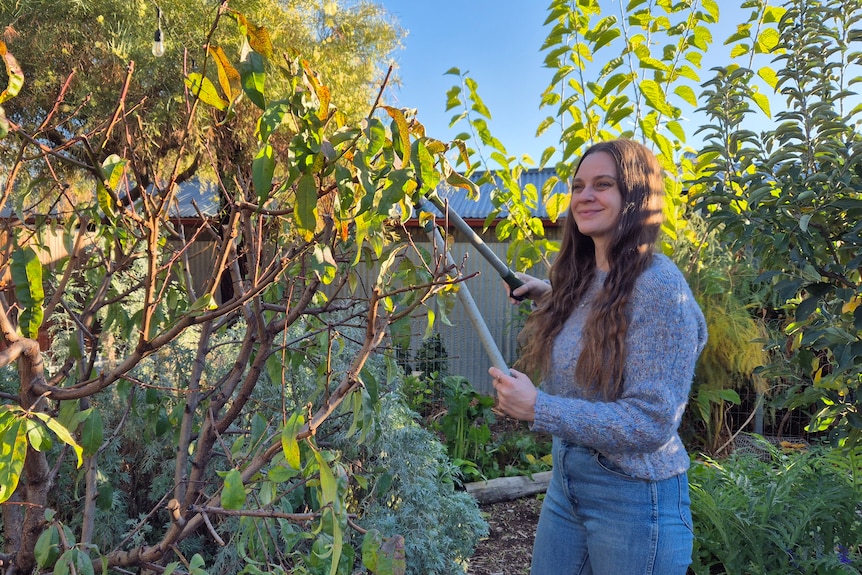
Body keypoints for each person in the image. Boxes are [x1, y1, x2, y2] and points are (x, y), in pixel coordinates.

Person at [489, 139, 708, 575]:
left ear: (637, 196)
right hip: (568, 485)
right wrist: (553, 297)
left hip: (633, 497)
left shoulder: (661, 287)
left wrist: (540, 407)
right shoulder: (588, 278)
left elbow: (651, 421)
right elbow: (605, 319)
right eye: (578, 186)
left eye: (603, 184)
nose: (585, 196)